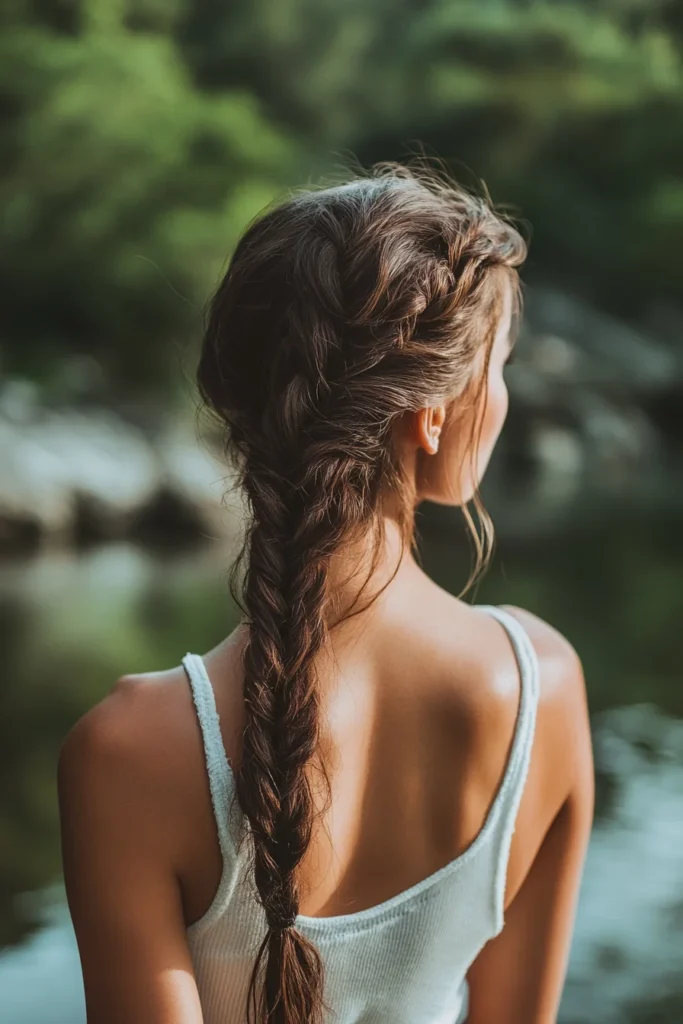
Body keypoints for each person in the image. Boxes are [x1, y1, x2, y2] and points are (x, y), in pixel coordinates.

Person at [58, 164, 594, 1024]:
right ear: (429, 413)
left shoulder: (130, 753)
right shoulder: (544, 690)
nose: (498, 398)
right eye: (497, 369)